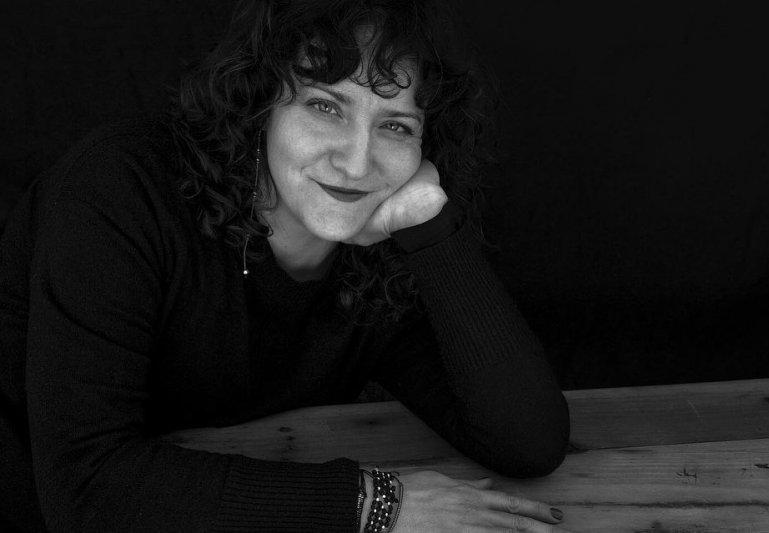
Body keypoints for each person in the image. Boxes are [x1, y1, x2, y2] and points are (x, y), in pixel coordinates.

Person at [0, 0, 571, 531]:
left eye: (396, 126)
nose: (357, 163)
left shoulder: (381, 253)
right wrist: (375, 504)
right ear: (260, 106)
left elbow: (528, 443)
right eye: (325, 107)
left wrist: (432, 229)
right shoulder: (121, 193)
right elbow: (85, 488)